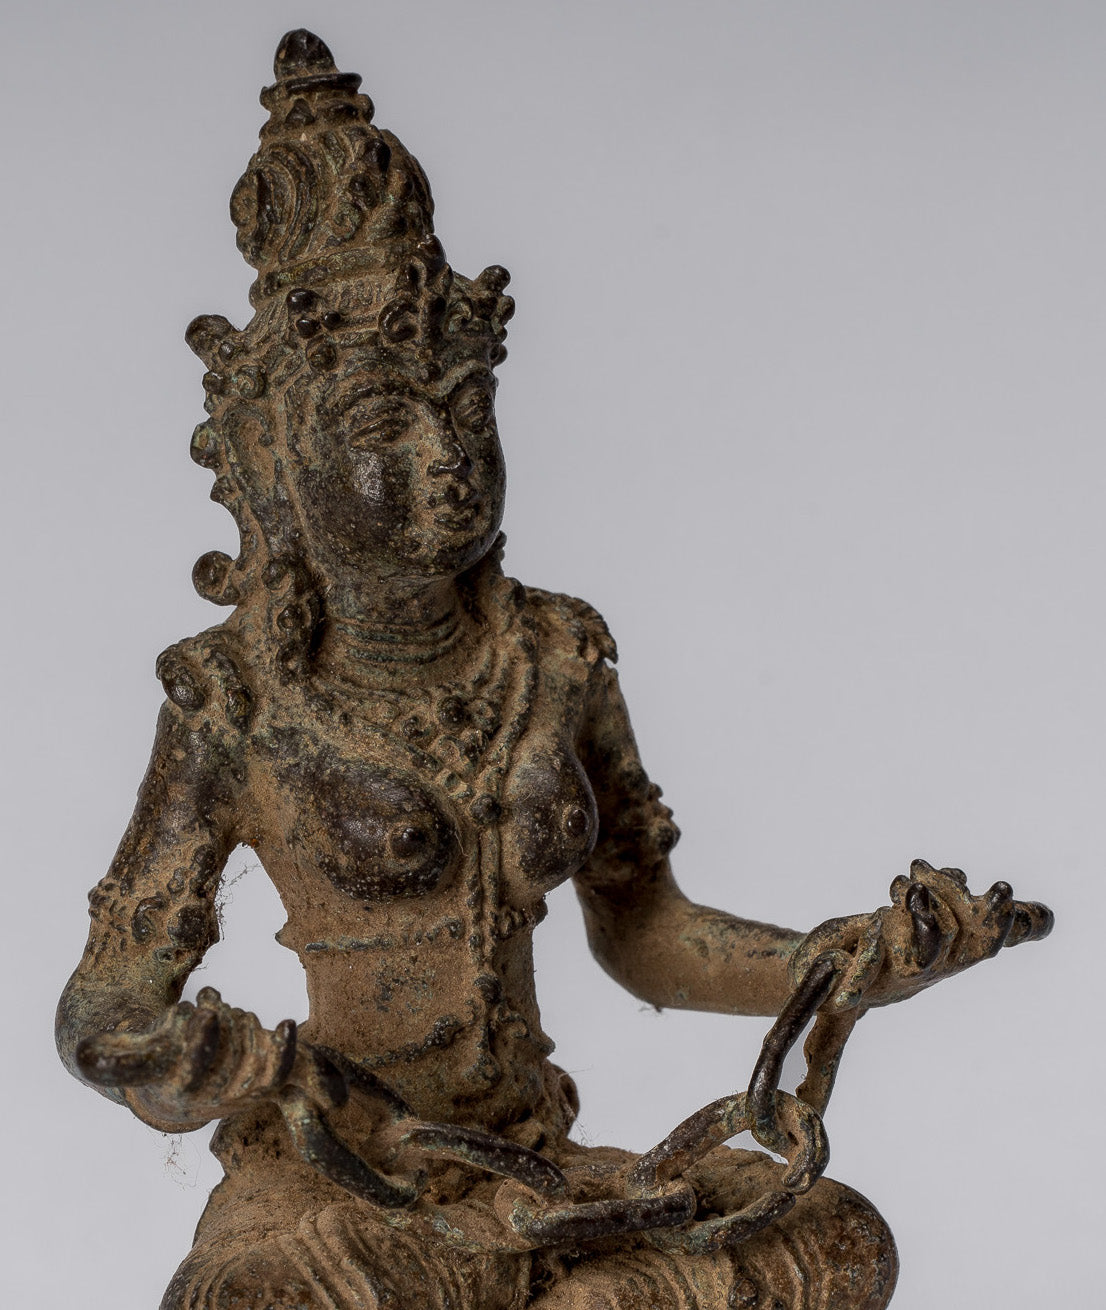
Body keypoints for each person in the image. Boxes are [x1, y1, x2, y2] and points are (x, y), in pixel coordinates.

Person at [56, 31, 1052, 1310]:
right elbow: (105, 1012)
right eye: (387, 425)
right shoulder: (238, 702)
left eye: (467, 411)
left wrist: (846, 958)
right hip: (349, 1188)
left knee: (839, 1238)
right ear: (274, 461)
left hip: (532, 1167)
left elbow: (648, 933)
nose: (447, 457)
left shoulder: (554, 652)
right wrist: (232, 1067)